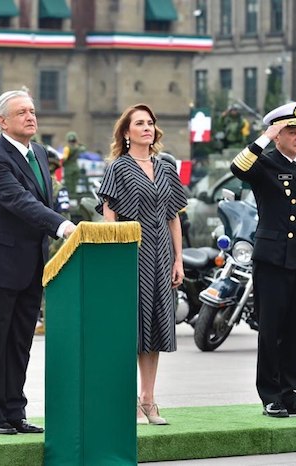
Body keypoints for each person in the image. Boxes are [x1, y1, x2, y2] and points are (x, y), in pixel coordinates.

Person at [0, 89, 76, 435]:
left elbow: (42, 200)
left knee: (19, 342)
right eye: (21, 113)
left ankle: (15, 410)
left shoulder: (40, 153)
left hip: (31, 264)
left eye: (32, 111)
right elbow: (19, 201)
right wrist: (60, 225)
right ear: (2, 122)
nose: (30, 117)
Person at [231, 101, 296, 418]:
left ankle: (289, 391)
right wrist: (263, 136)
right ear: (277, 135)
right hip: (272, 258)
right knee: (270, 329)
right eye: (292, 131)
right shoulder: (264, 165)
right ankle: (270, 394)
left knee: (294, 329)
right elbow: (237, 168)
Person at [96, 103, 187, 426]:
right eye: (139, 123)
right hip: (130, 254)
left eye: (150, 122)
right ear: (126, 132)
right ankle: (127, 400)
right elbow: (109, 216)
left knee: (156, 329)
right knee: (130, 329)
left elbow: (173, 216)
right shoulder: (117, 168)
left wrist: (178, 259)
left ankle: (149, 399)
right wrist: (112, 258)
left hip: (161, 254)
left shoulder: (165, 167)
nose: (147, 128)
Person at [35, 148, 71, 336]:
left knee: (49, 282)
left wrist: (56, 245)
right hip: (39, 240)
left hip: (53, 241)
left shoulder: (57, 187)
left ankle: (49, 321)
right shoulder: (39, 185)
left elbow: (63, 215)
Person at [61, 131, 85, 195]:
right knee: (74, 186)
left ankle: (70, 200)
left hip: (68, 169)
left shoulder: (67, 148)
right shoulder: (78, 148)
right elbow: (83, 148)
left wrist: (61, 163)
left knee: (68, 186)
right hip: (76, 168)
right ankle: (74, 199)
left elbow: (64, 159)